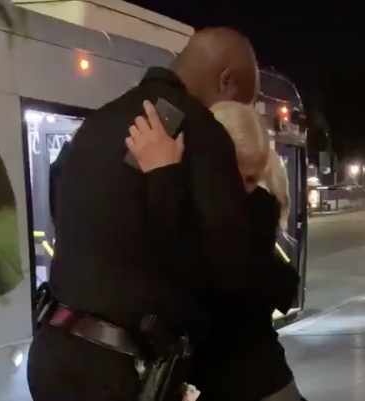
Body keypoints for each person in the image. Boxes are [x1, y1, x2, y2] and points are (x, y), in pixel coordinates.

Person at [28, 27, 265, 401]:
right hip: (119, 373)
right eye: (243, 103)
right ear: (226, 81)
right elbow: (233, 273)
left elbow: (62, 205)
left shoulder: (97, 123)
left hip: (50, 353)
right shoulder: (202, 132)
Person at [127, 101, 303, 401]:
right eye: (241, 178)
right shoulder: (236, 211)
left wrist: (161, 178)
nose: (245, 190)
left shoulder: (247, 212)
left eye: (251, 179)